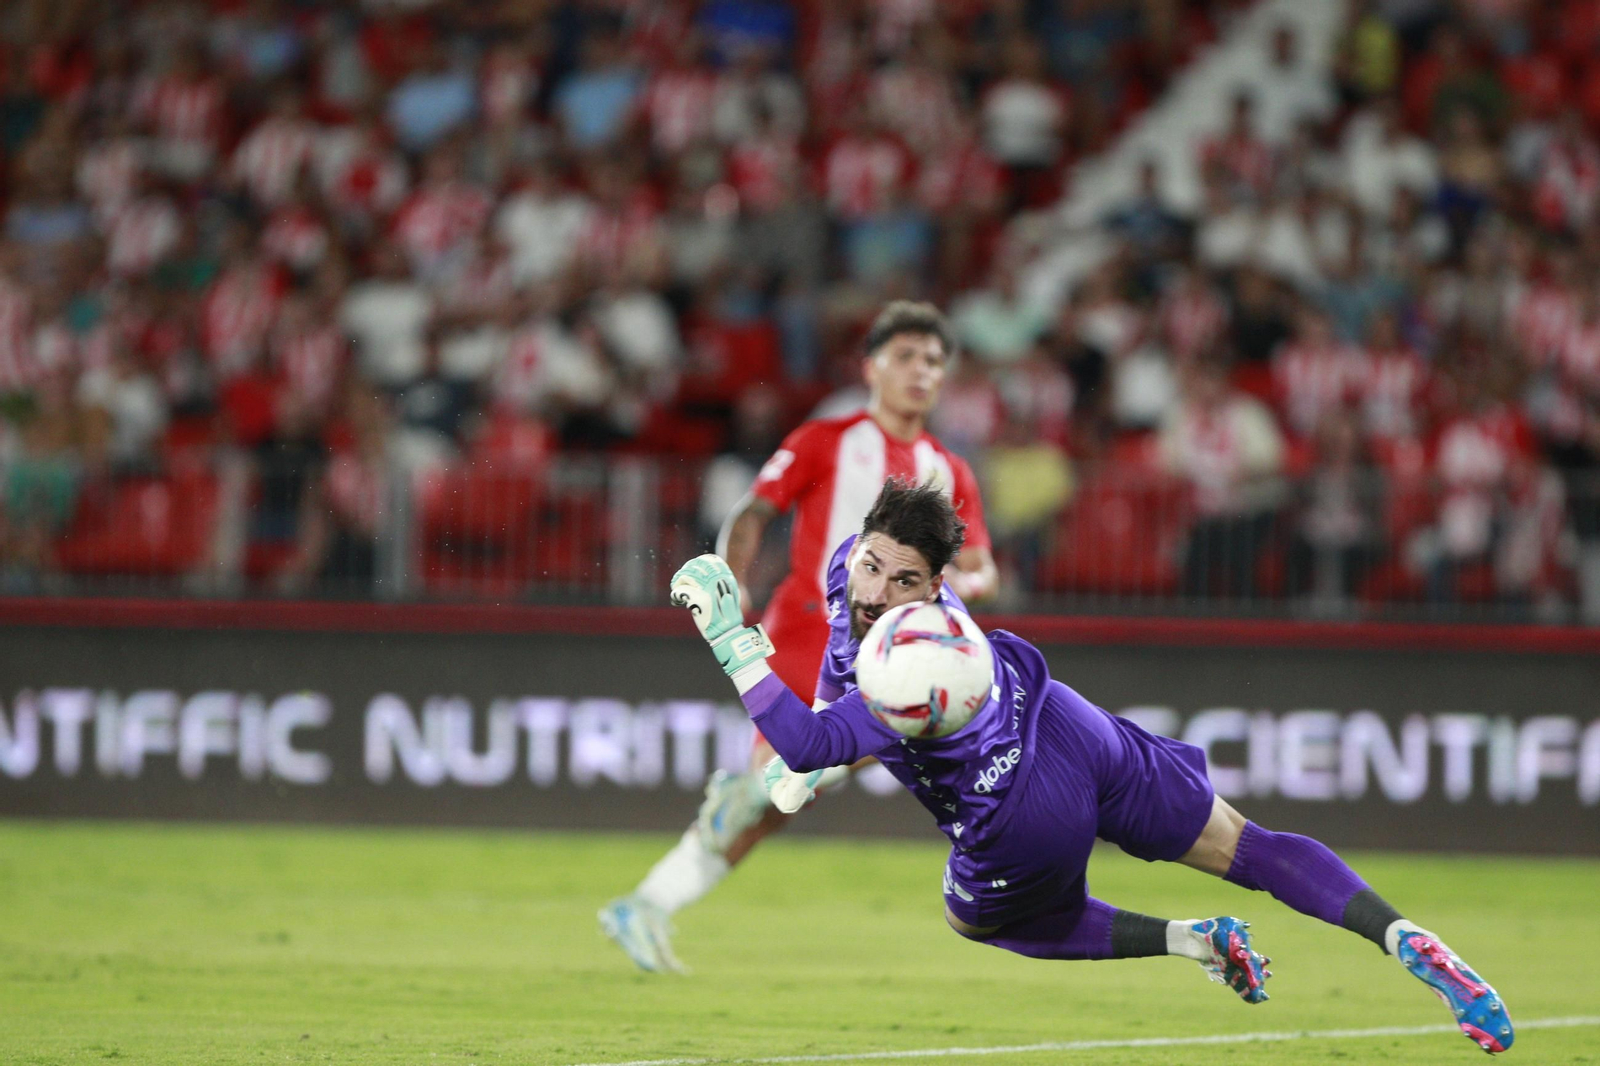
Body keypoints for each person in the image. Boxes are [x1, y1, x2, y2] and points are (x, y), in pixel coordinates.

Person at [662, 480, 1515, 1057]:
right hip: (1071, 723)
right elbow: (836, 673)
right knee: (1244, 846)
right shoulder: (861, 568)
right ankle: (1403, 936)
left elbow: (815, 742)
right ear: (861, 545)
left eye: (904, 581)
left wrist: (732, 640)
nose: (877, 589)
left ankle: (1190, 940)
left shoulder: (919, 661)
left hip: (1021, 804)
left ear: (934, 588)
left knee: (975, 920)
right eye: (873, 565)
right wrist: (811, 741)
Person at [599, 302, 999, 972]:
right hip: (812, 626)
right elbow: (754, 510)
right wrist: (733, 576)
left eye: (933, 361)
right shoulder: (826, 440)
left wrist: (964, 578)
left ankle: (645, 904)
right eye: (905, 356)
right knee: (830, 761)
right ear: (871, 368)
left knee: (778, 803)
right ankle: (755, 788)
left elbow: (983, 565)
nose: (921, 371)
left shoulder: (949, 470)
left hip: (892, 647)